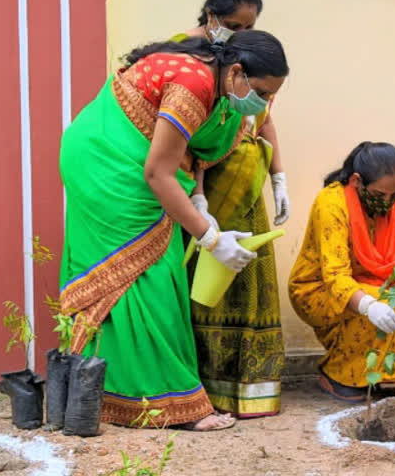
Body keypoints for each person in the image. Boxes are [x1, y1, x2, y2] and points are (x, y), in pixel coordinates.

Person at [59, 30, 289, 430]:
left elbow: (189, 151)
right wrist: (210, 238)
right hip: (106, 162)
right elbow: (158, 173)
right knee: (148, 277)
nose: (264, 104)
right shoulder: (193, 85)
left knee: (154, 273)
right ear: (236, 72)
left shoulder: (219, 89)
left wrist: (198, 202)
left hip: (134, 162)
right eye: (263, 92)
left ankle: (117, 392)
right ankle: (155, 402)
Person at [172, 0, 288, 418]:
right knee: (205, 282)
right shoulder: (190, 60)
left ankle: (249, 392)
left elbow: (266, 120)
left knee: (250, 283)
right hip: (205, 186)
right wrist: (198, 199)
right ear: (212, 16)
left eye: (250, 27)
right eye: (236, 27)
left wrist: (279, 178)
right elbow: (189, 143)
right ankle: (205, 390)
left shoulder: (253, 69)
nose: (243, 36)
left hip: (247, 183)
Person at [288, 142, 395, 401]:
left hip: (377, 284)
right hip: (318, 289)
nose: (388, 202)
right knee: (380, 306)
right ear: (357, 181)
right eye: (380, 195)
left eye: (394, 194)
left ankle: (379, 374)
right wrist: (369, 306)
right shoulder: (331, 203)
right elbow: (335, 275)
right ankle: (336, 376)